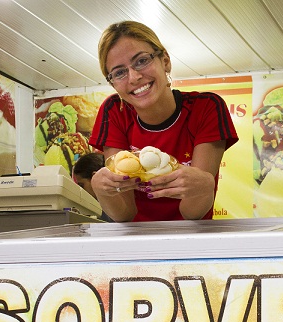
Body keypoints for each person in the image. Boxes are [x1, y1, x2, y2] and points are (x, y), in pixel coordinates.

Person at [88, 20, 238, 222]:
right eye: (119, 72)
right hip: (137, 243)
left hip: (192, 239)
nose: (133, 77)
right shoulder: (114, 110)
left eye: (141, 61)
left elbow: (192, 213)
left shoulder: (206, 107)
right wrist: (102, 190)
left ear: (165, 60)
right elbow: (124, 214)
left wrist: (203, 186)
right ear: (113, 83)